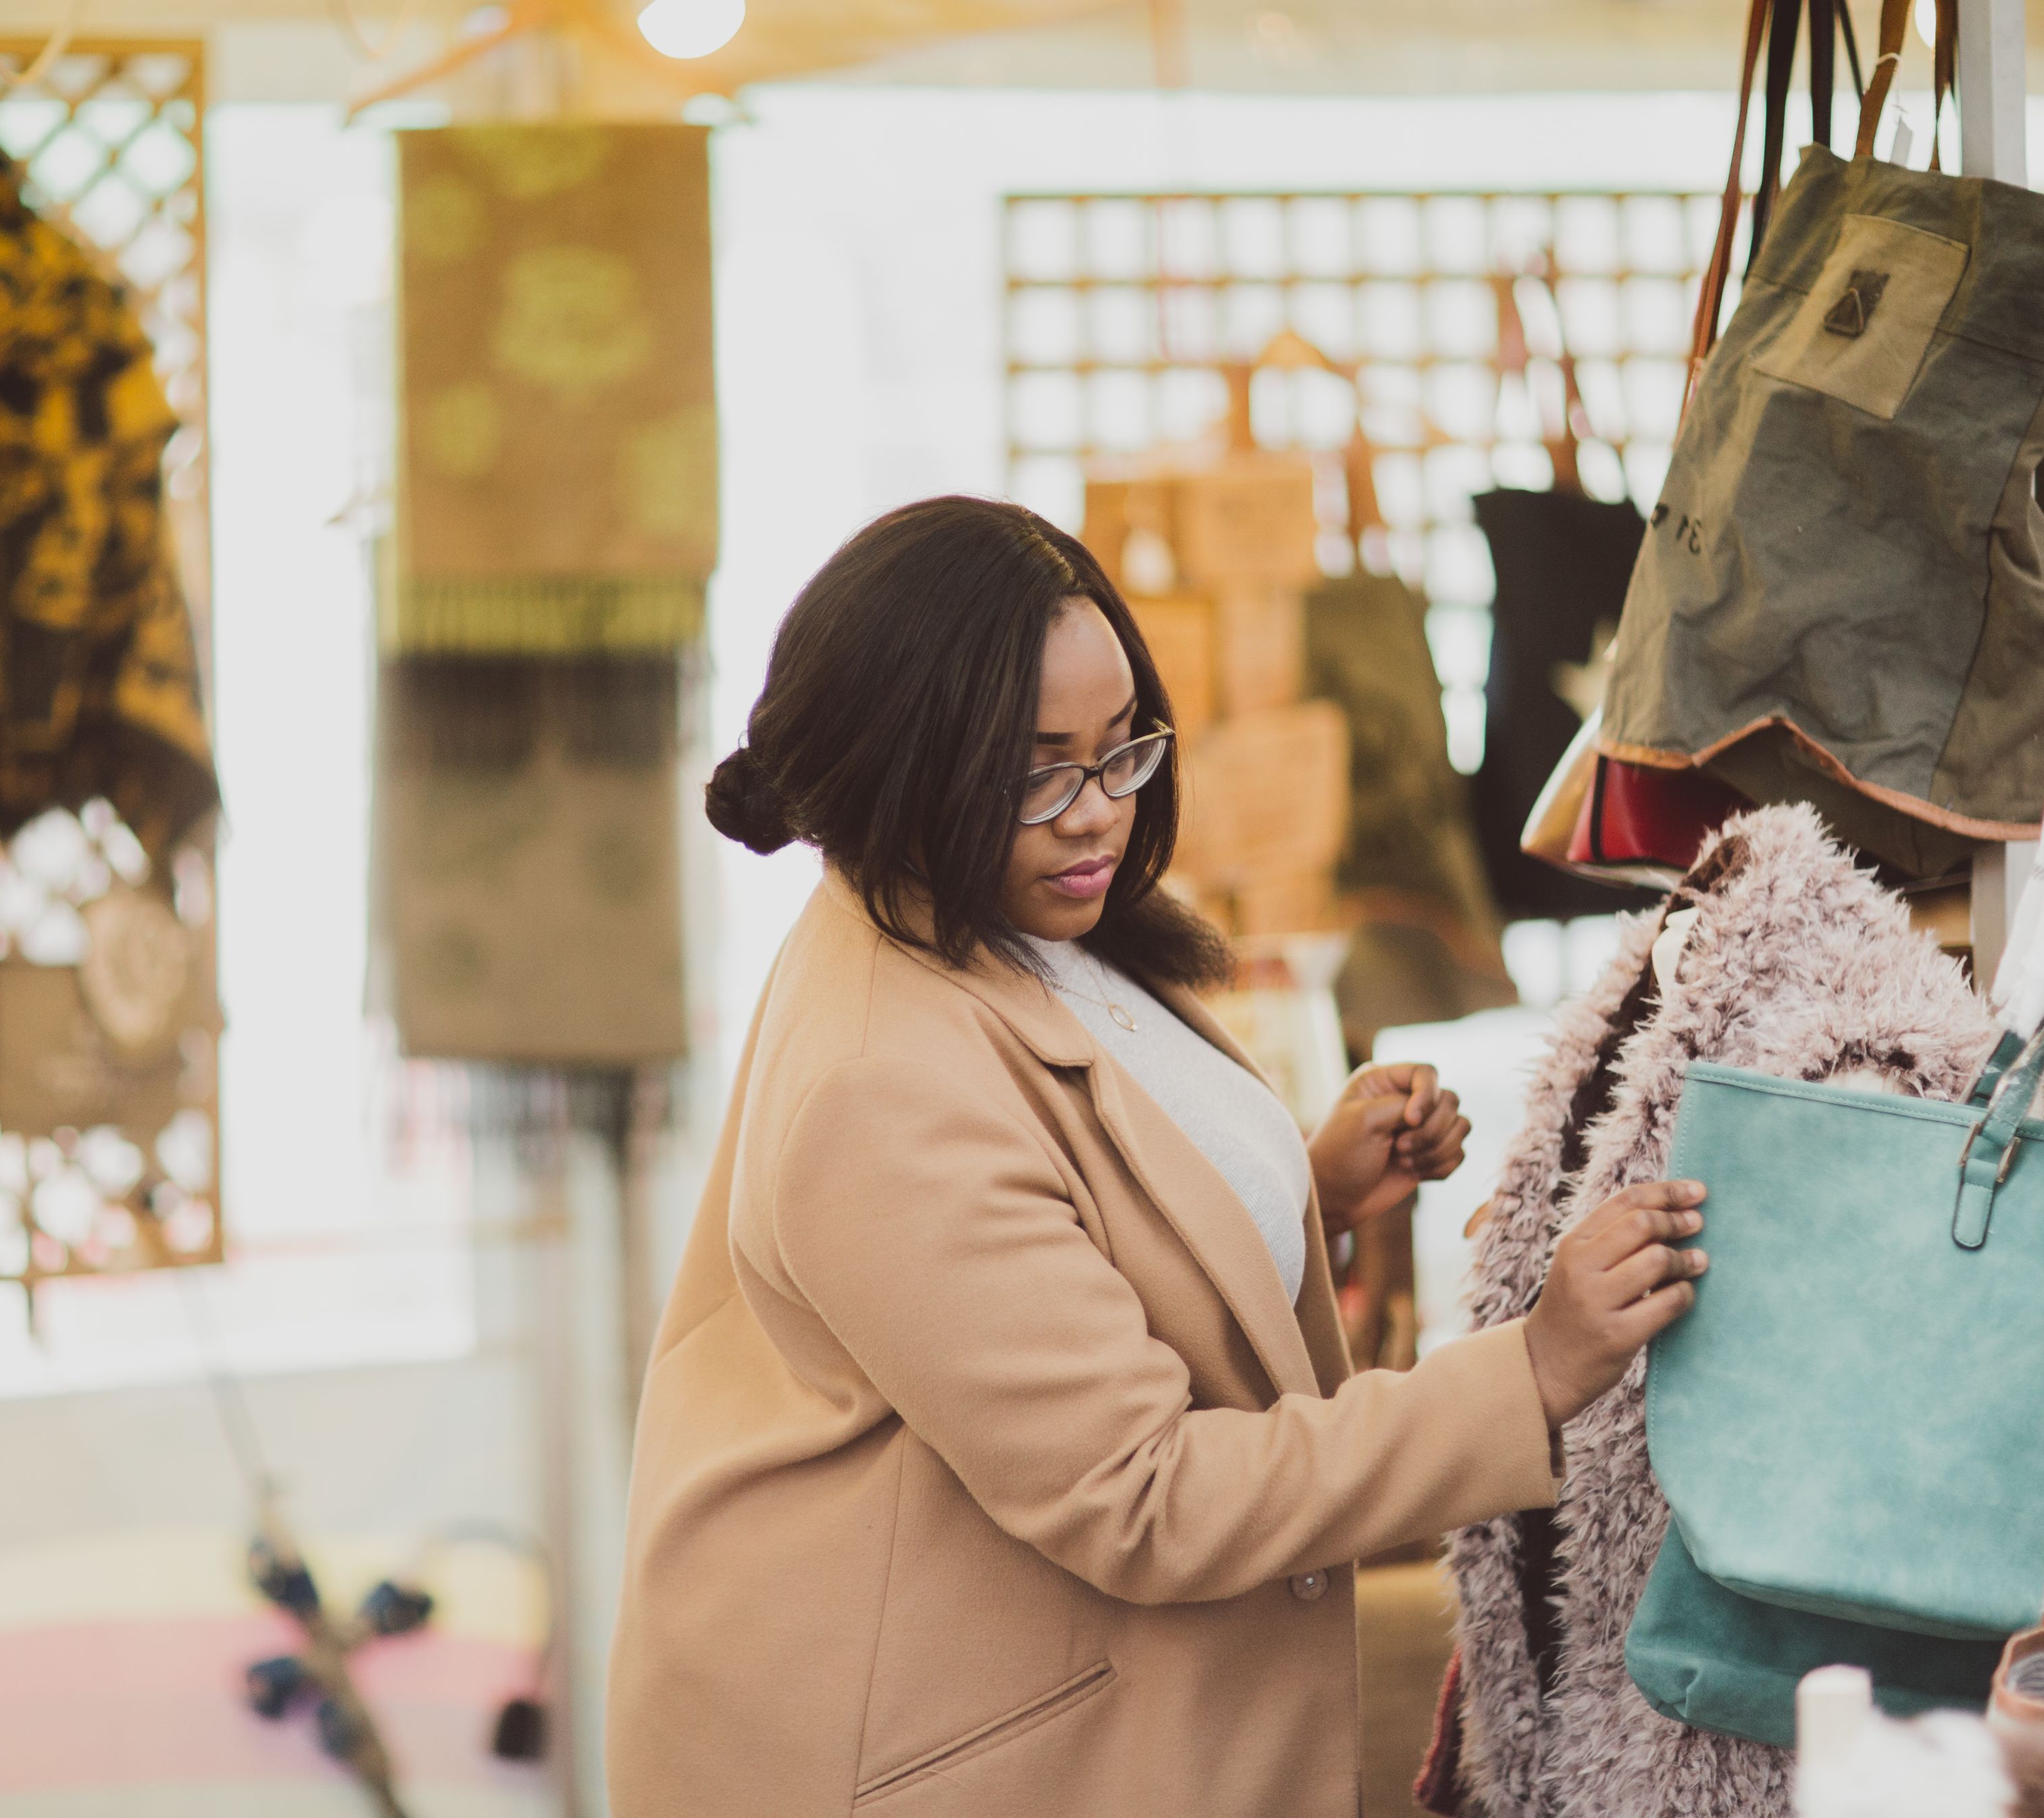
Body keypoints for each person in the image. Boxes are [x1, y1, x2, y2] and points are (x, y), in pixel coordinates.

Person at [607, 497, 1706, 1818]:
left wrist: (1299, 1187)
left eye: (1122, 746)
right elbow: (1138, 1491)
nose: (1096, 814)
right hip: (933, 1749)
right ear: (905, 760)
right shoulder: (879, 1078)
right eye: (1037, 769)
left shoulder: (1000, 911)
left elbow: (1057, 1227)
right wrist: (1529, 1371)